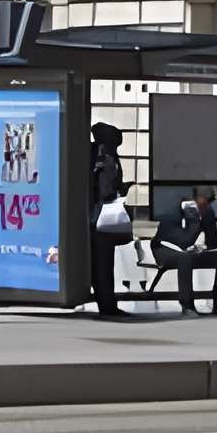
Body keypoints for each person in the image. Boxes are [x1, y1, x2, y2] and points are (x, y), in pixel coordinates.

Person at [154, 184, 217, 317]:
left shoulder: (207, 211)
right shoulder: (175, 210)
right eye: (203, 202)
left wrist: (202, 247)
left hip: (189, 251)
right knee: (185, 258)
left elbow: (213, 243)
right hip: (165, 249)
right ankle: (187, 305)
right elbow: (182, 241)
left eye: (209, 202)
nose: (205, 206)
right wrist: (193, 219)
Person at [88, 121, 134, 318]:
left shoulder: (97, 155)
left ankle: (106, 302)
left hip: (97, 216)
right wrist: (122, 189)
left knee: (103, 264)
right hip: (101, 216)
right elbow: (106, 189)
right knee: (104, 264)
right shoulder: (105, 158)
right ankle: (107, 305)